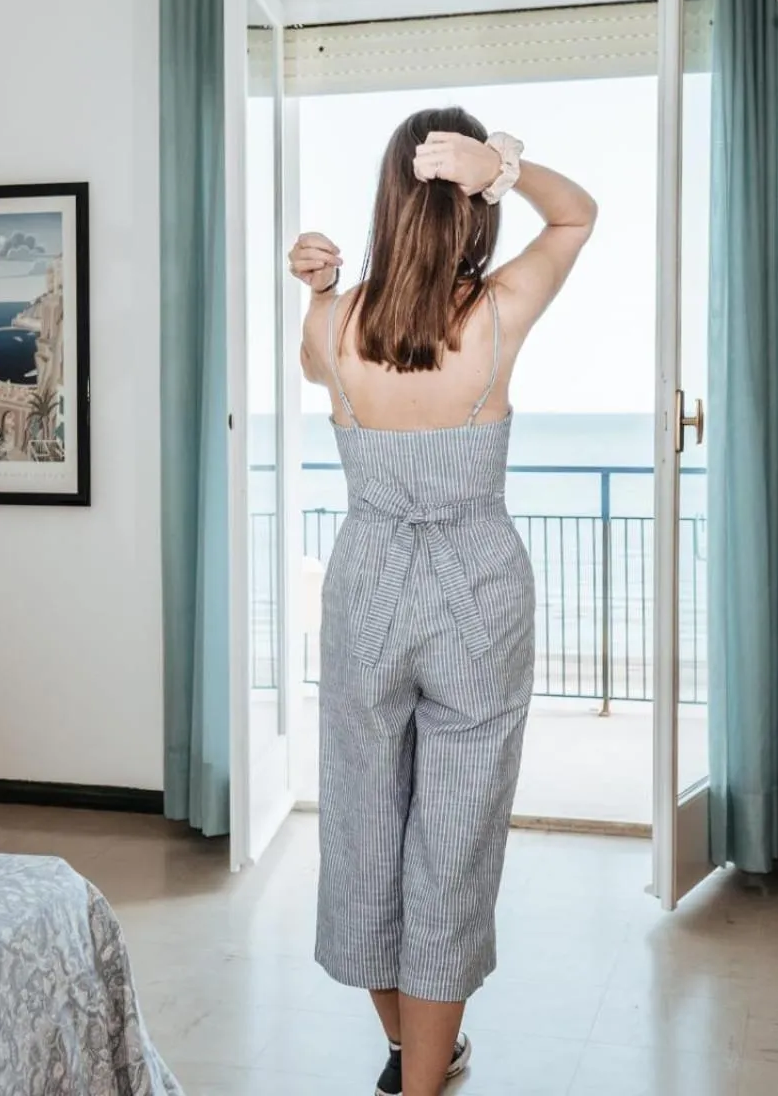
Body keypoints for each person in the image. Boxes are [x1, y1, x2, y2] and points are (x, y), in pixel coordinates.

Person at [288, 107, 596, 1096]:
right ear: (471, 210)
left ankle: (411, 1049)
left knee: (364, 833)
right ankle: (426, 1078)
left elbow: (309, 360)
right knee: (455, 840)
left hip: (368, 587)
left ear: (386, 201)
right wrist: (506, 167)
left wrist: (322, 287)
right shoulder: (496, 313)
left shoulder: (335, 326)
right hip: (478, 592)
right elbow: (578, 218)